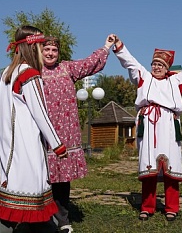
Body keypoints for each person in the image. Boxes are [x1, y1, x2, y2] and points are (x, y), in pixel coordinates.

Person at [112, 35, 182, 222]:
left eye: (161, 65)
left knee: (171, 168)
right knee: (148, 167)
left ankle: (172, 207)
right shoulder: (144, 78)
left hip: (169, 126)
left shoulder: (176, 82)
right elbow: (130, 62)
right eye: (154, 64)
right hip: (148, 125)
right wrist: (119, 45)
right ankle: (147, 207)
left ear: (167, 68)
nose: (156, 67)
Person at [0, 26, 68, 233]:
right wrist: (58, 145)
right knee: (22, 197)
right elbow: (40, 113)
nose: (43, 51)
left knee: (27, 197)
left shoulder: (7, 72)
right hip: (26, 146)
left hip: (8, 145)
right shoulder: (30, 74)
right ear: (33, 48)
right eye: (41, 46)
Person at [41, 34, 116, 232]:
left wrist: (106, 46)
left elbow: (89, 63)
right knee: (41, 179)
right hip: (41, 135)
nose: (50, 53)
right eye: (46, 49)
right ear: (39, 51)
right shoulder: (32, 72)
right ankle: (41, 219)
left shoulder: (66, 68)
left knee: (62, 181)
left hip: (65, 135)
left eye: (54, 50)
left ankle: (63, 220)